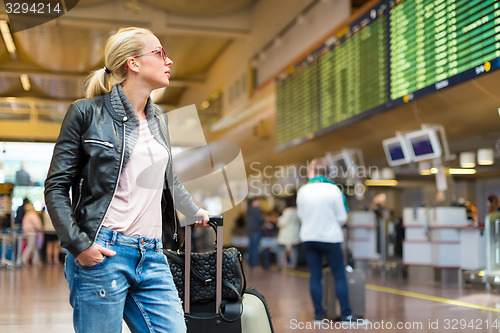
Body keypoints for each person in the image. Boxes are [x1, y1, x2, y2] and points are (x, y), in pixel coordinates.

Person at [44, 27, 210, 333]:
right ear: (133, 63)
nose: (168, 60)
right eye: (159, 53)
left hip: (153, 254)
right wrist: (78, 245)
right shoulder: (85, 113)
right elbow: (56, 186)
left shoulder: (159, 117)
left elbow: (166, 176)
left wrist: (192, 209)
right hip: (104, 252)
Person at [296, 158, 364, 324]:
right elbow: (342, 217)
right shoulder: (334, 190)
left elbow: (301, 216)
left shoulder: (303, 191)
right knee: (339, 275)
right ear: (327, 172)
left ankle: (318, 315)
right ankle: (347, 314)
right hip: (331, 238)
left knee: (315, 276)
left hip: (309, 237)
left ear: (311, 172)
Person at [277, 195, 301, 270]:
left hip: (286, 234)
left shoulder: (287, 211)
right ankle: (293, 265)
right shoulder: (298, 211)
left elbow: (283, 223)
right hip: (295, 233)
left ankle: (280, 265)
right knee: (294, 250)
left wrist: (278, 222)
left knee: (282, 249)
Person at [246, 197, 264, 269]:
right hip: (256, 230)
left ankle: (250, 263)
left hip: (250, 230)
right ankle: (255, 264)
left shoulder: (249, 209)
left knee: (251, 248)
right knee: (255, 248)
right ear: (254, 202)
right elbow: (260, 220)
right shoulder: (257, 209)